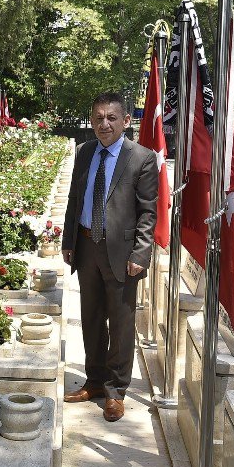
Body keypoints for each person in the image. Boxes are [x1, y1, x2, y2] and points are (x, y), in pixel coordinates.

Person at [60, 92, 158, 422]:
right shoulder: (85, 152)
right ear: (92, 121)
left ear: (126, 121)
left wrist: (141, 254)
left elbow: (148, 212)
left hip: (122, 253)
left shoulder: (141, 158)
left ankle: (116, 391)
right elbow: (75, 198)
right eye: (99, 118)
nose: (104, 124)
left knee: (120, 321)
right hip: (87, 247)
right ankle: (95, 381)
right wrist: (69, 240)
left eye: (112, 118)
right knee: (91, 317)